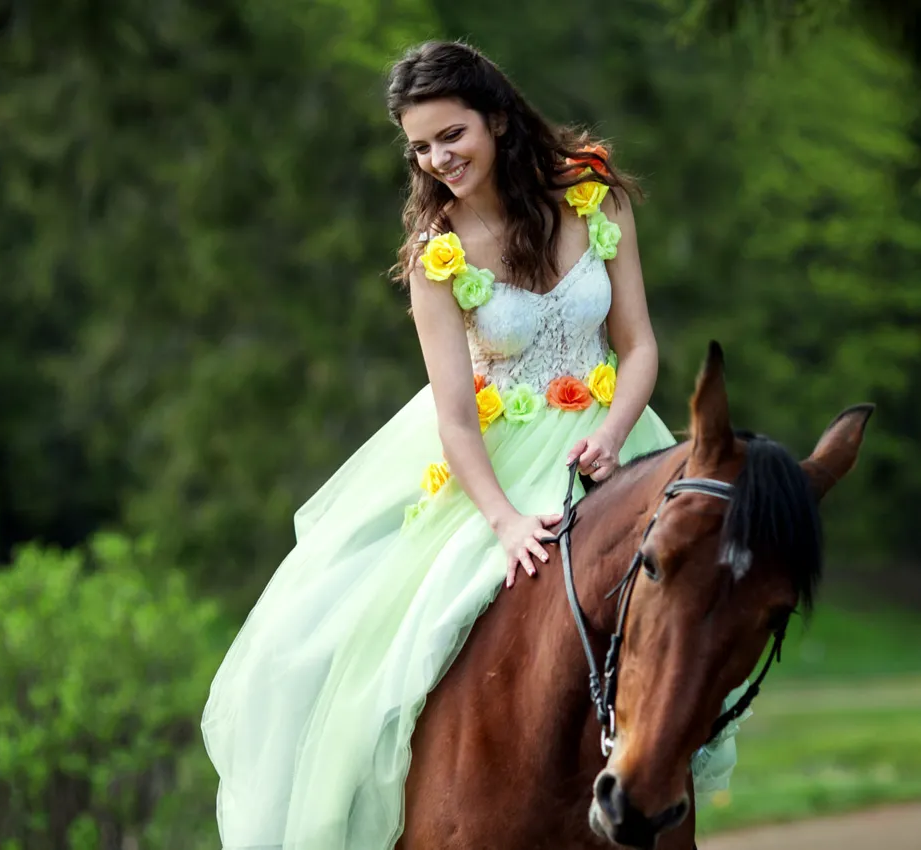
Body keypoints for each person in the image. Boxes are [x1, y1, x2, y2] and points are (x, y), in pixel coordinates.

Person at [200, 39, 749, 850]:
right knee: (367, 646)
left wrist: (607, 434)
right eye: (421, 146)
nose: (438, 158)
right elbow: (454, 417)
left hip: (615, 432)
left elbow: (637, 347)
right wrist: (503, 522)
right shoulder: (437, 253)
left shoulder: (597, 201)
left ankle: (651, 774)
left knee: (684, 595)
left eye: (450, 135)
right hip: (493, 463)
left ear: (497, 118)